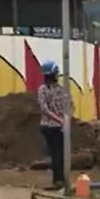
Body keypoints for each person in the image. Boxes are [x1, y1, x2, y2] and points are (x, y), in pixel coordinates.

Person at [37, 61, 71, 191]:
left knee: (55, 154)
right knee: (59, 154)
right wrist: (63, 120)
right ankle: (59, 180)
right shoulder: (62, 89)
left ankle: (58, 180)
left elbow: (44, 109)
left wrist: (62, 120)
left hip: (48, 126)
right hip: (57, 127)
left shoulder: (42, 90)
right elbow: (70, 106)